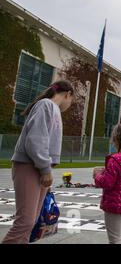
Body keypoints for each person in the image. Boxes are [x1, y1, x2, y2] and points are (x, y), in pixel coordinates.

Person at [2, 80, 74, 244]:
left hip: (39, 167)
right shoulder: (45, 105)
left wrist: (46, 169)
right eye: (72, 100)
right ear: (68, 94)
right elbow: (35, 140)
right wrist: (45, 169)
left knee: (31, 221)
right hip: (29, 166)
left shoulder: (53, 109)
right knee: (25, 221)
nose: (70, 104)